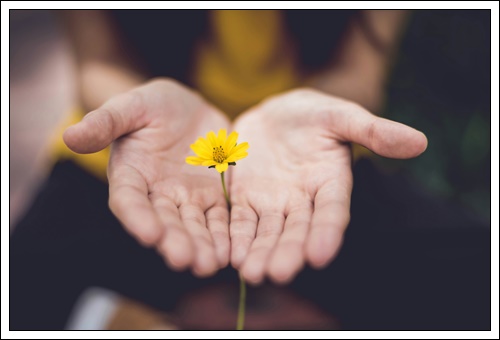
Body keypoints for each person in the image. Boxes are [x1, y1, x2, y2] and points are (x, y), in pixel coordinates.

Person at [11, 10, 489, 330]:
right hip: (138, 161)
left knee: (474, 269)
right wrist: (129, 110)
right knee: (23, 289)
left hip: (304, 164)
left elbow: (358, 72)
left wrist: (321, 105)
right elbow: (99, 61)